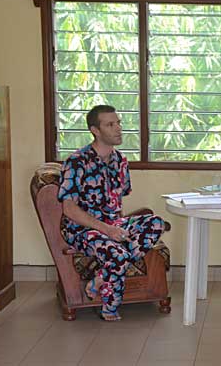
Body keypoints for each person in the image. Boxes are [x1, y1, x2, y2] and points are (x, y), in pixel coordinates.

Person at [58, 105, 165, 321]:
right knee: (117, 253)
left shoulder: (121, 161)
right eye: (110, 124)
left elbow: (117, 203)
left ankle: (98, 280)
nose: (118, 128)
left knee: (156, 223)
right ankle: (109, 308)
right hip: (81, 229)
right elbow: (68, 208)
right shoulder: (76, 162)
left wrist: (119, 230)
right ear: (95, 130)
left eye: (118, 123)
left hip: (112, 224)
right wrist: (107, 231)